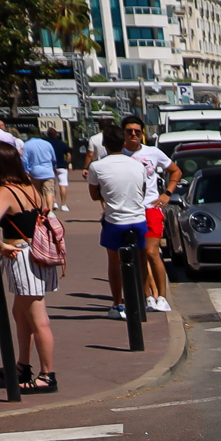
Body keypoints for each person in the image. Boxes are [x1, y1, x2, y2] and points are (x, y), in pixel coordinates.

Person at [0, 140, 61, 393]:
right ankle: (22, 365)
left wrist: (0, 246)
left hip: (22, 255)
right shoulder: (30, 187)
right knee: (21, 314)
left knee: (38, 319)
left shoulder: (5, 191)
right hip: (37, 253)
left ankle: (47, 375)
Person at [86, 122, 151, 320]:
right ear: (123, 142)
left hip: (114, 221)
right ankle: (144, 299)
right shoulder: (138, 164)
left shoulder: (96, 166)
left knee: (114, 263)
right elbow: (143, 191)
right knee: (141, 260)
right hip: (138, 219)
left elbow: (94, 195)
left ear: (104, 144)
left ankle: (117, 304)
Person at [119, 118, 176, 316]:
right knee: (141, 255)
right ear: (123, 133)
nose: (133, 135)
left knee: (152, 252)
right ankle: (146, 297)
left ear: (142, 133)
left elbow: (175, 171)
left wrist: (166, 194)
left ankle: (162, 297)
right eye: (129, 131)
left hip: (151, 208)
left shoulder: (152, 152)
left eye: (137, 131)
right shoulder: (119, 154)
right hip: (130, 210)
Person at [19, 126, 59, 214]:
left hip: (35, 172)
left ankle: (40, 209)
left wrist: (25, 172)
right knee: (49, 191)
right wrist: (54, 168)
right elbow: (53, 158)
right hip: (48, 171)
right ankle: (50, 211)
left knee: (37, 192)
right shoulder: (47, 144)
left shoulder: (27, 144)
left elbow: (24, 160)